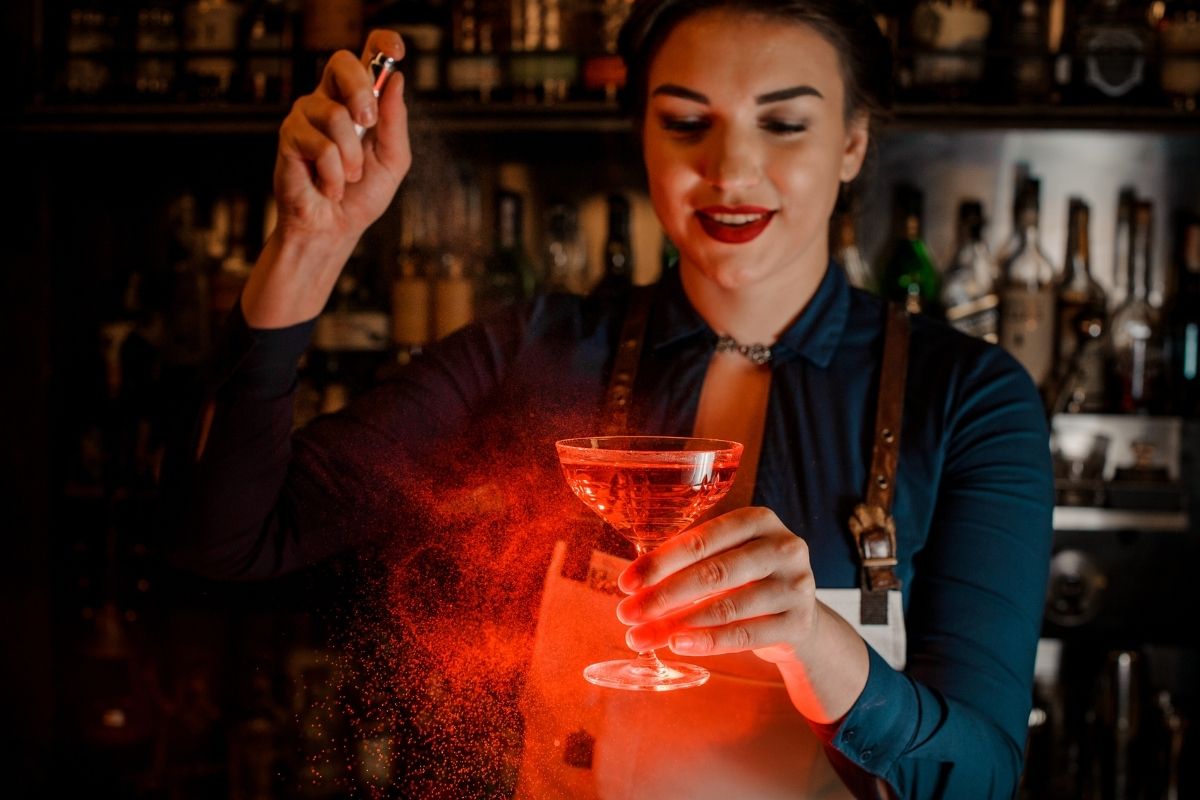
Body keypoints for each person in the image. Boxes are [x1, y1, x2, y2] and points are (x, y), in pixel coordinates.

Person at [160, 0, 1054, 797]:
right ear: (643, 137)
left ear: (853, 143)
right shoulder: (537, 348)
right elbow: (230, 538)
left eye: (783, 124)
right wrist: (310, 247)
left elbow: (977, 776)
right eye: (684, 122)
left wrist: (816, 643)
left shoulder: (968, 398)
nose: (731, 169)